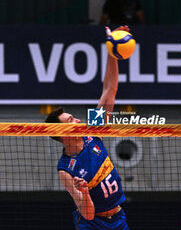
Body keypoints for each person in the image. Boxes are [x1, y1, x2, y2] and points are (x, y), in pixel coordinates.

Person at [45, 26, 130, 230]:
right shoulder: (65, 169)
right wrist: (83, 192)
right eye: (70, 120)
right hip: (91, 224)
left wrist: (113, 53)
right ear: (62, 134)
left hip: (118, 218)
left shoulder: (92, 129)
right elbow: (88, 213)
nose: (77, 121)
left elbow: (110, 89)